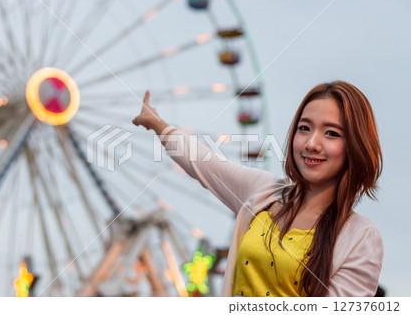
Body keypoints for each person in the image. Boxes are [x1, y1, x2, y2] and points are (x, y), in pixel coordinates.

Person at [132, 81, 384, 297]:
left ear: (355, 146)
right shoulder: (264, 192)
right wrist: (157, 124)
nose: (312, 143)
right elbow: (205, 162)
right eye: (304, 128)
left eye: (331, 133)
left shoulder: (361, 237)